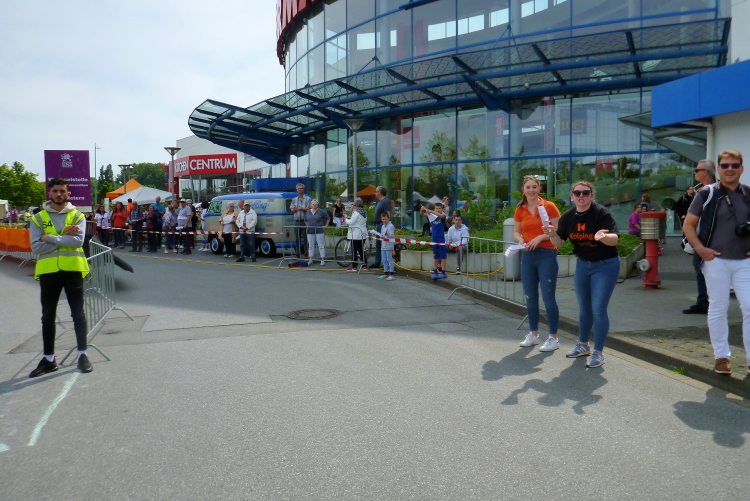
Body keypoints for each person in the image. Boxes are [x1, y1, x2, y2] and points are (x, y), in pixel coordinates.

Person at [682, 150, 750, 375]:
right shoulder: (707, 193)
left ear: (741, 168)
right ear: (718, 169)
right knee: (718, 307)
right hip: (715, 260)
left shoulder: (748, 194)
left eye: (734, 165)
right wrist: (701, 249)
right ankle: (722, 357)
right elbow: (688, 225)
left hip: (745, 261)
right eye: (725, 165)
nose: (730, 169)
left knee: (749, 307)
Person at [549, 180, 620, 368]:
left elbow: (614, 239)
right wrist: (551, 234)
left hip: (605, 265)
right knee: (584, 308)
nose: (581, 196)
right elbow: (559, 243)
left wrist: (603, 237)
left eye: (585, 193)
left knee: (598, 309)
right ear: (572, 197)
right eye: (577, 193)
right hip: (582, 264)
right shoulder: (568, 217)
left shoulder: (601, 213)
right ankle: (583, 345)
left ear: (592, 195)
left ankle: (598, 352)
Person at [28, 177, 93, 376]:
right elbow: (36, 246)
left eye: (62, 191)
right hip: (49, 272)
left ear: (68, 194)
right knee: (47, 315)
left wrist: (49, 237)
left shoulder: (77, 216)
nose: (58, 194)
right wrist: (64, 237)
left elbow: (77, 242)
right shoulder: (38, 218)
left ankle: (82, 354)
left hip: (73, 270)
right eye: (55, 191)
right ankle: (49, 359)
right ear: (49, 193)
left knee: (78, 314)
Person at [513, 175, 562, 352]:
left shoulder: (549, 206)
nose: (531, 190)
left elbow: (558, 230)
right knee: (530, 296)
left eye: (534, 187)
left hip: (546, 253)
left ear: (539, 189)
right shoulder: (520, 209)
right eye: (528, 187)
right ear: (523, 190)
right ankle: (533, 334)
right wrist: (521, 240)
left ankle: (553, 337)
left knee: (548, 297)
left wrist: (540, 237)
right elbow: (516, 232)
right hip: (528, 254)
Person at [683, 159, 716, 315]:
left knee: (704, 270)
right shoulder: (700, 189)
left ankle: (705, 302)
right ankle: (704, 301)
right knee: (700, 269)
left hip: (708, 238)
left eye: (697, 170)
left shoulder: (712, 190)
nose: (694, 173)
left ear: (705, 172)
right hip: (702, 237)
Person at [422, 202, 447, 279]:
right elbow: (423, 214)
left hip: (441, 238)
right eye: (436, 208)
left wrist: (432, 211)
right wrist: (422, 210)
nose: (438, 210)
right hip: (434, 238)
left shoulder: (443, 216)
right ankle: (435, 271)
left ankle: (443, 272)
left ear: (442, 209)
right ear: (434, 208)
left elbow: (442, 216)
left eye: (439, 208)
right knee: (435, 256)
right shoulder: (432, 217)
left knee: (443, 256)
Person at [371, 186, 392, 269]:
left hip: (382, 225)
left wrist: (386, 226)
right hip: (379, 224)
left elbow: (388, 213)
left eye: (376, 191)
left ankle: (382, 262)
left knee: (382, 244)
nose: (375, 193)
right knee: (378, 244)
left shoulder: (385, 201)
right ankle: (378, 262)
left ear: (379, 193)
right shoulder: (380, 202)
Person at [346, 198, 369, 271]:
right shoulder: (364, 212)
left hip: (356, 234)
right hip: (363, 232)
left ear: (356, 205)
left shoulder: (356, 213)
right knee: (361, 249)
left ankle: (354, 266)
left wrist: (346, 219)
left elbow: (351, 222)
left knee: (354, 250)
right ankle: (364, 264)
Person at [305, 199, 330, 264]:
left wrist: (326, 225)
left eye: (316, 204)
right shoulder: (308, 212)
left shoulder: (321, 211)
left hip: (319, 230)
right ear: (311, 205)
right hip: (310, 231)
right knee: (310, 246)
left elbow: (328, 218)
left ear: (318, 205)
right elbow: (305, 220)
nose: (314, 205)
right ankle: (311, 259)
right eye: (313, 204)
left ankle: (322, 259)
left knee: (321, 245)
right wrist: (308, 225)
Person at [290, 183, 312, 257]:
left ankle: (306, 253)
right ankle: (297, 253)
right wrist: (295, 210)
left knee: (306, 238)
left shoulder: (308, 199)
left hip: (305, 221)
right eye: (299, 188)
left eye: (301, 188)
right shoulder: (294, 199)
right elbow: (291, 209)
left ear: (303, 189)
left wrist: (301, 209)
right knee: (297, 238)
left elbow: (309, 208)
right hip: (297, 221)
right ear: (297, 190)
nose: (300, 190)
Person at [375, 211, 396, 280]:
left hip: (389, 245)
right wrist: (381, 236)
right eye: (383, 219)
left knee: (389, 259)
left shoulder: (391, 226)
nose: (384, 221)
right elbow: (382, 234)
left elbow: (391, 236)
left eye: (385, 219)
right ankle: (386, 273)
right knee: (384, 260)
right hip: (383, 244)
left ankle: (392, 274)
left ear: (388, 218)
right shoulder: (383, 226)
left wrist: (387, 233)